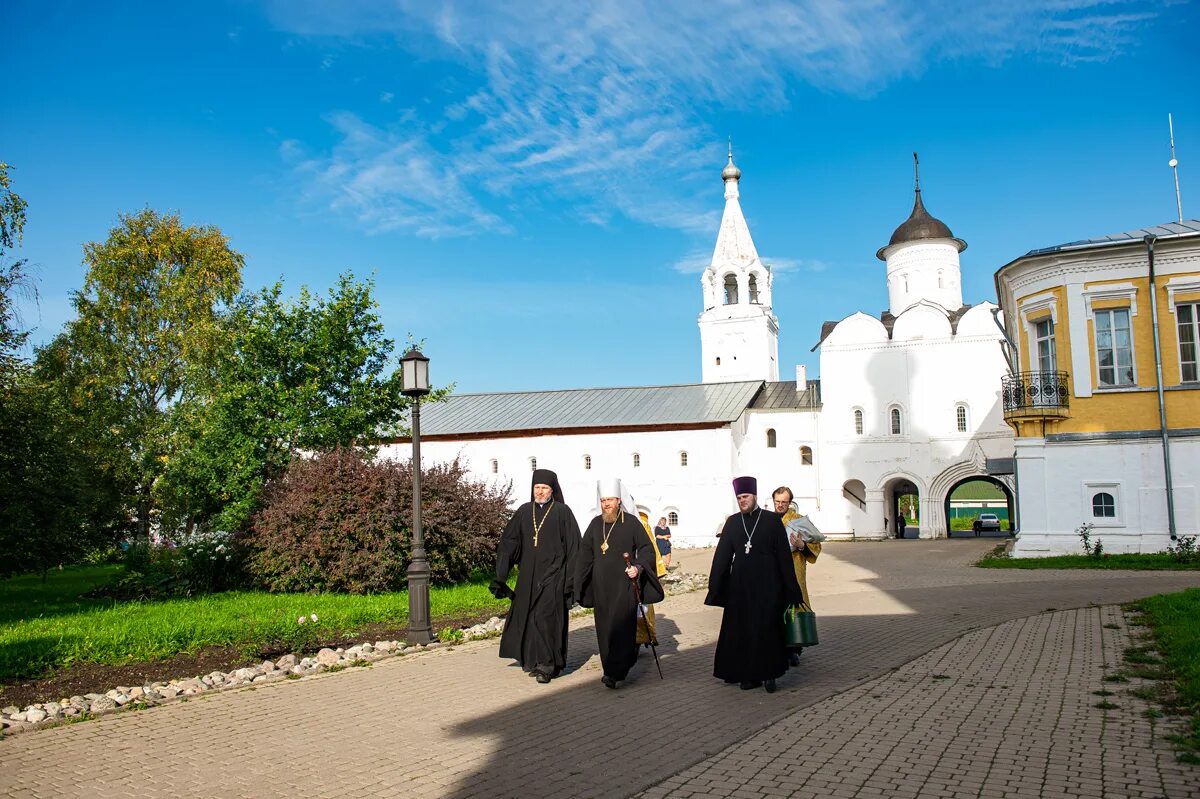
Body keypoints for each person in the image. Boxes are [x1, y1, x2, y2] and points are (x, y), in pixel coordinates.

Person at [705, 476, 802, 693]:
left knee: (767, 629)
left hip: (769, 585)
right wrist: (716, 587)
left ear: (755, 496)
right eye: (739, 497)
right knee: (743, 632)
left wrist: (790, 589)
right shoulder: (732, 522)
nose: (742, 501)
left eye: (745, 496)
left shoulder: (771, 520)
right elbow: (721, 557)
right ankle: (748, 675)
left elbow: (784, 557)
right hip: (740, 588)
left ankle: (770, 674)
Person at [491, 469, 581, 684]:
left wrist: (569, 580)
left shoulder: (562, 512)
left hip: (554, 576)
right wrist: (501, 574)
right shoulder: (524, 511)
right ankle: (532, 660)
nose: (540, 492)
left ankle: (547, 665)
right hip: (528, 576)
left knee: (546, 618)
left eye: (544, 488)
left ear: (552, 490)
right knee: (529, 616)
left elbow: (574, 547)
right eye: (537, 488)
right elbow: (509, 543)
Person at [575, 478, 664, 689]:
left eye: (611, 500)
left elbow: (646, 550)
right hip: (600, 586)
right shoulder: (596, 524)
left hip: (625, 585)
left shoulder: (631, 523)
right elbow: (585, 554)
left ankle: (616, 671)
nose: (607, 504)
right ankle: (610, 668)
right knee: (604, 629)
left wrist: (638, 568)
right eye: (603, 500)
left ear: (619, 500)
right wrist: (577, 581)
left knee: (622, 626)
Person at [772, 486, 822, 667]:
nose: (780, 505)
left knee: (794, 608)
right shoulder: (768, 520)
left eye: (784, 502)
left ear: (790, 502)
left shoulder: (798, 520)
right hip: (772, 573)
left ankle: (794, 649)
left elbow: (816, 543)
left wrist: (801, 544)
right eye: (777, 502)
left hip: (794, 570)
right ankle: (778, 648)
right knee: (776, 611)